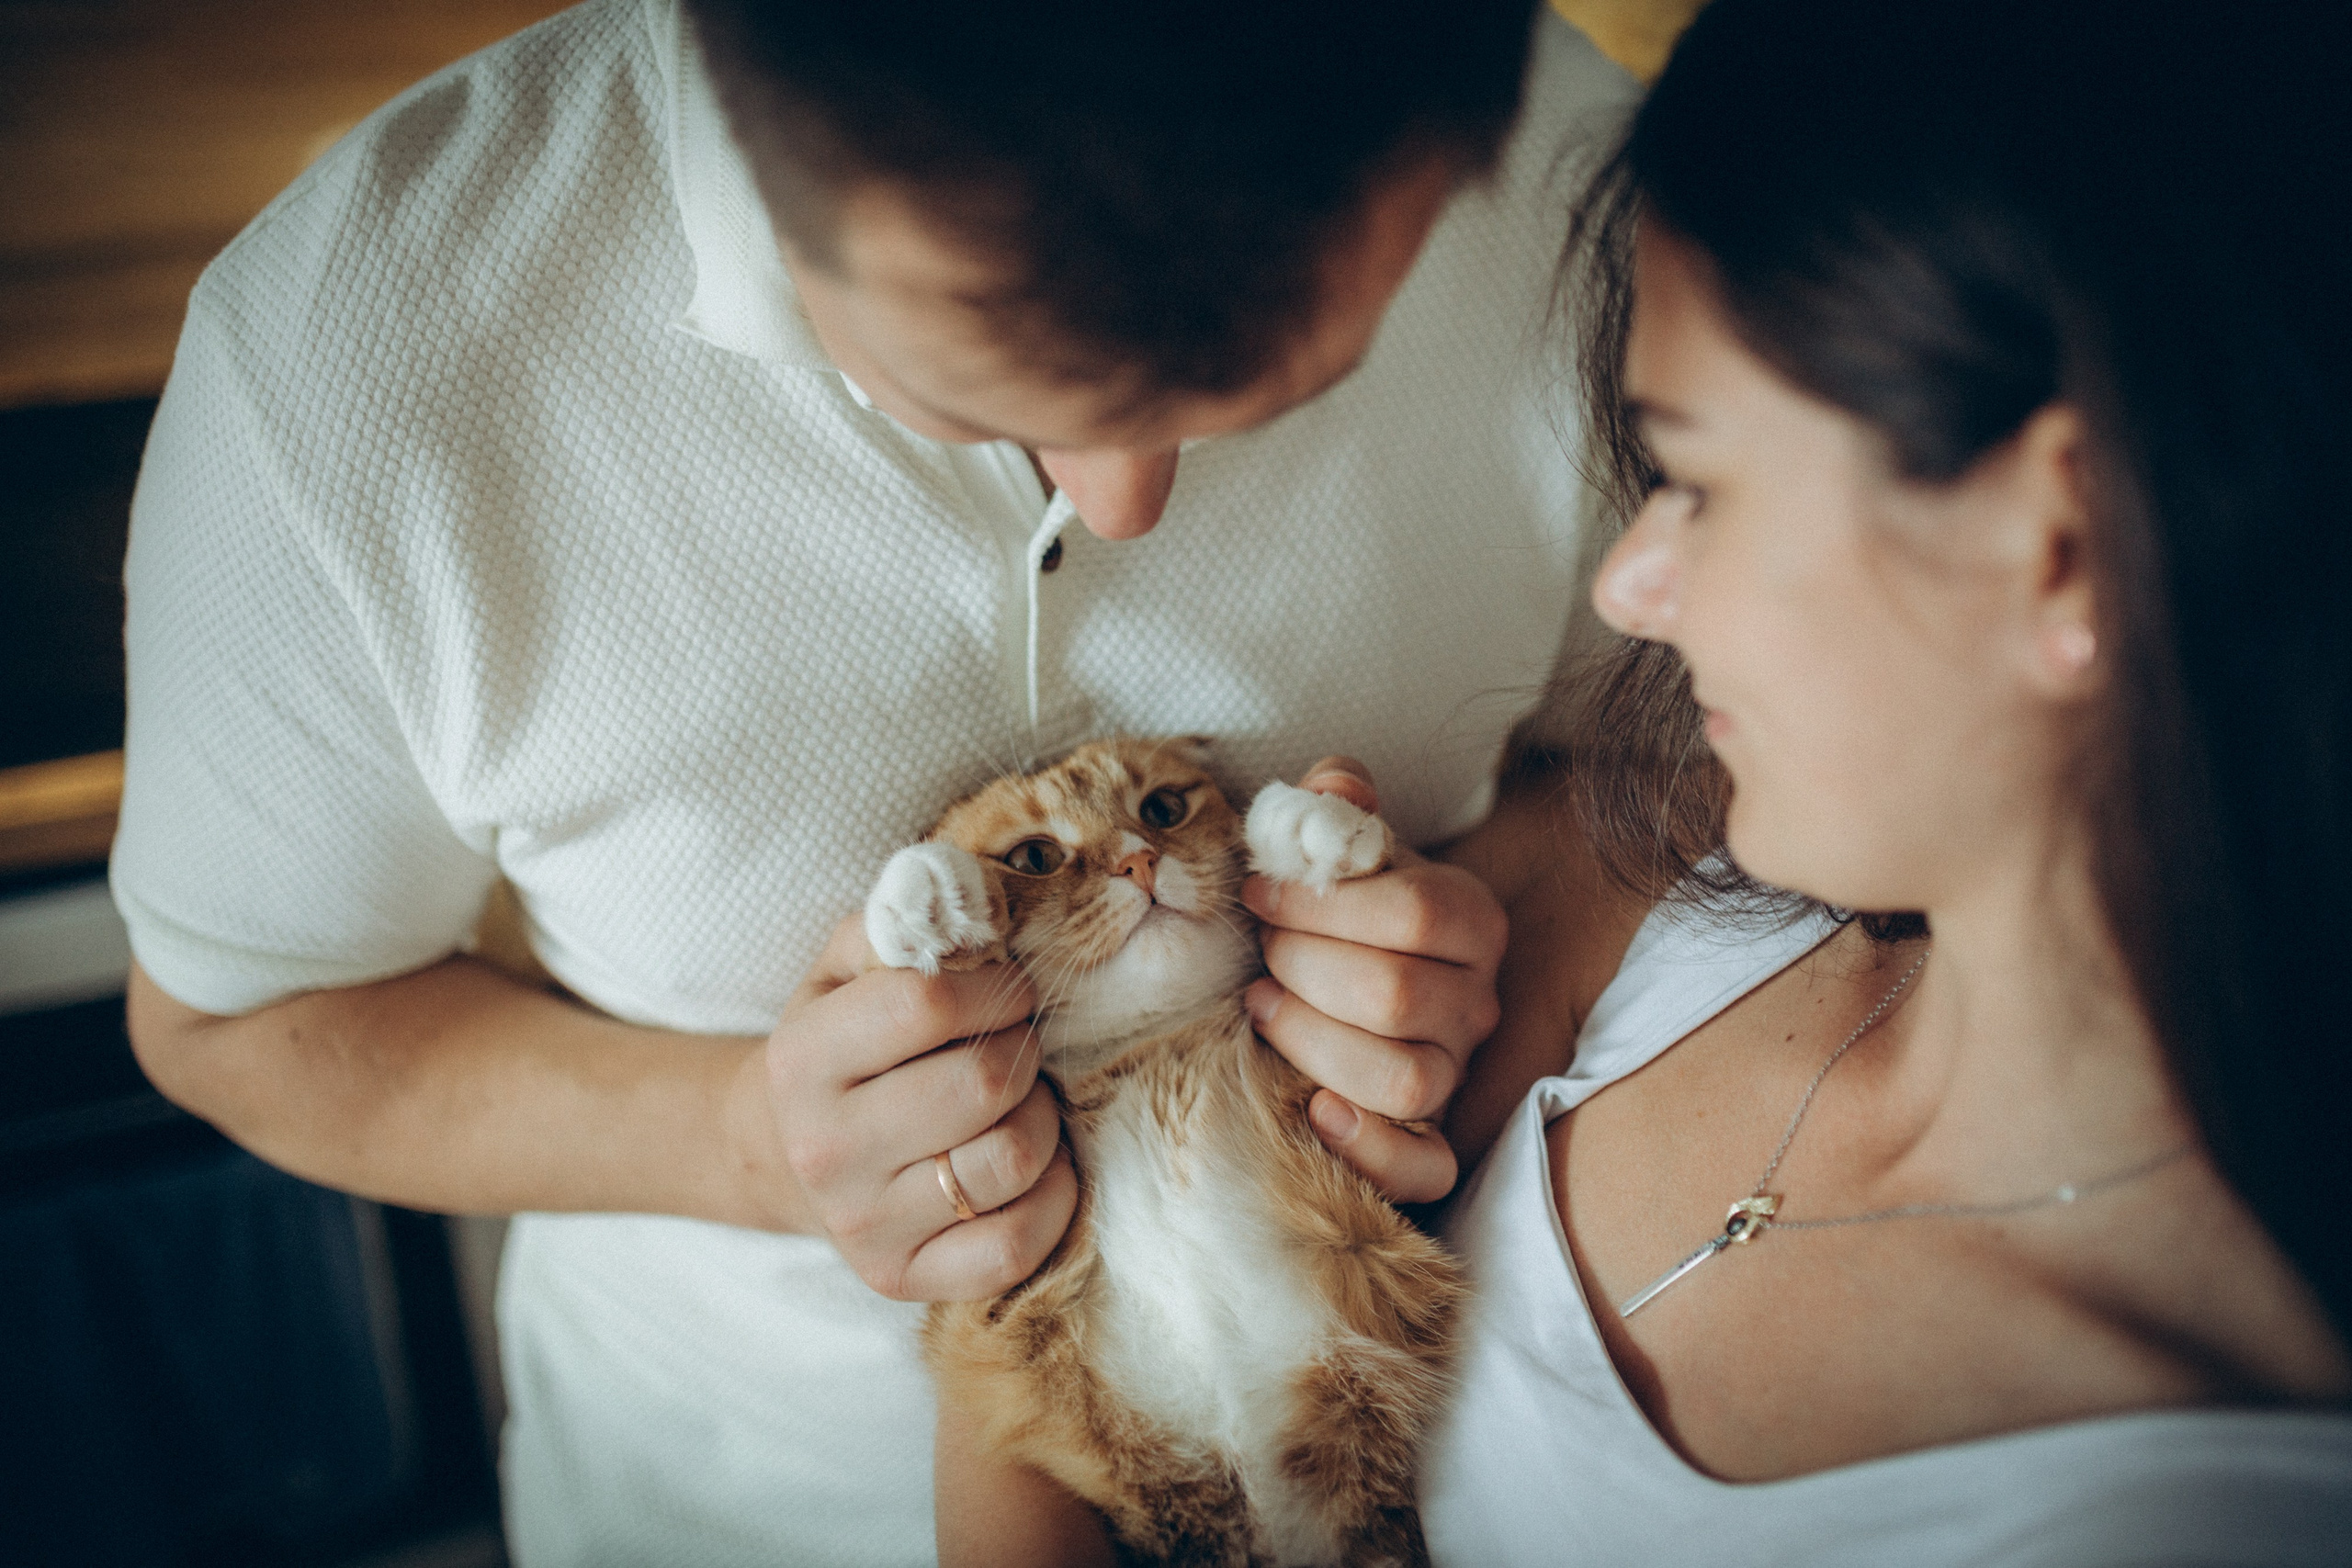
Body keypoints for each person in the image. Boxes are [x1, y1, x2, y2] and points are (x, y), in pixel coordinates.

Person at [108, 0, 1633, 1562]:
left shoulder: (1576, 174)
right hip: (728, 1500)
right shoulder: (339, 364)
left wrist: (1503, 931)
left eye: (1275, 384)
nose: (1125, 504)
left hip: (1454, 1455)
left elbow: (1680, 758)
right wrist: (740, 1140)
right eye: (979, 386)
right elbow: (238, 1021)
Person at [1417, 0, 2352, 1561]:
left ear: (2061, 547)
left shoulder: (2188, 1508)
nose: (1628, 590)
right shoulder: (1688, 890)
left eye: (1698, 482)